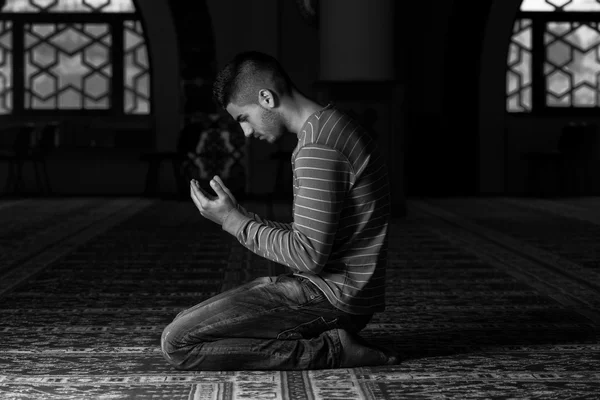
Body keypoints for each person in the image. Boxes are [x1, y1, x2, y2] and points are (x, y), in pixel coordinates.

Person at [161, 51, 396, 371]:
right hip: (331, 289)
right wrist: (238, 215)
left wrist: (231, 220)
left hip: (330, 297)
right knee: (187, 322)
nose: (246, 132)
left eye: (244, 118)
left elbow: (307, 254)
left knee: (178, 343)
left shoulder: (319, 148)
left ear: (267, 98)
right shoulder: (327, 128)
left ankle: (332, 349)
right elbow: (311, 239)